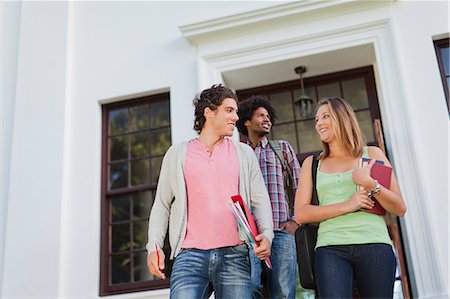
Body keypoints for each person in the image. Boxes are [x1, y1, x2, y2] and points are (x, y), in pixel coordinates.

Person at [146, 84, 274, 299]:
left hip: (235, 255)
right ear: (208, 112)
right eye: (229, 110)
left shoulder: (243, 153)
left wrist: (267, 234)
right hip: (189, 257)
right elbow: (162, 204)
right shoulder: (177, 154)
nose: (236, 116)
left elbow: (259, 200)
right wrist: (153, 247)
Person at [295, 97, 407, 298]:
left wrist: (370, 184)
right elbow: (301, 214)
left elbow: (399, 207)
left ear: (343, 118)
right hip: (330, 248)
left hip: (374, 244)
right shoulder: (312, 164)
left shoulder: (372, 154)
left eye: (326, 116)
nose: (319, 123)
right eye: (317, 119)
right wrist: (349, 204)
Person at [237, 95, 301, 299]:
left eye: (268, 116)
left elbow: (300, 186)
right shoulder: (239, 154)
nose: (266, 119)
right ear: (247, 121)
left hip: (281, 231)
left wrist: (295, 221)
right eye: (260, 115)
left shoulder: (281, 148)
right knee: (252, 287)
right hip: (250, 237)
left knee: (283, 292)